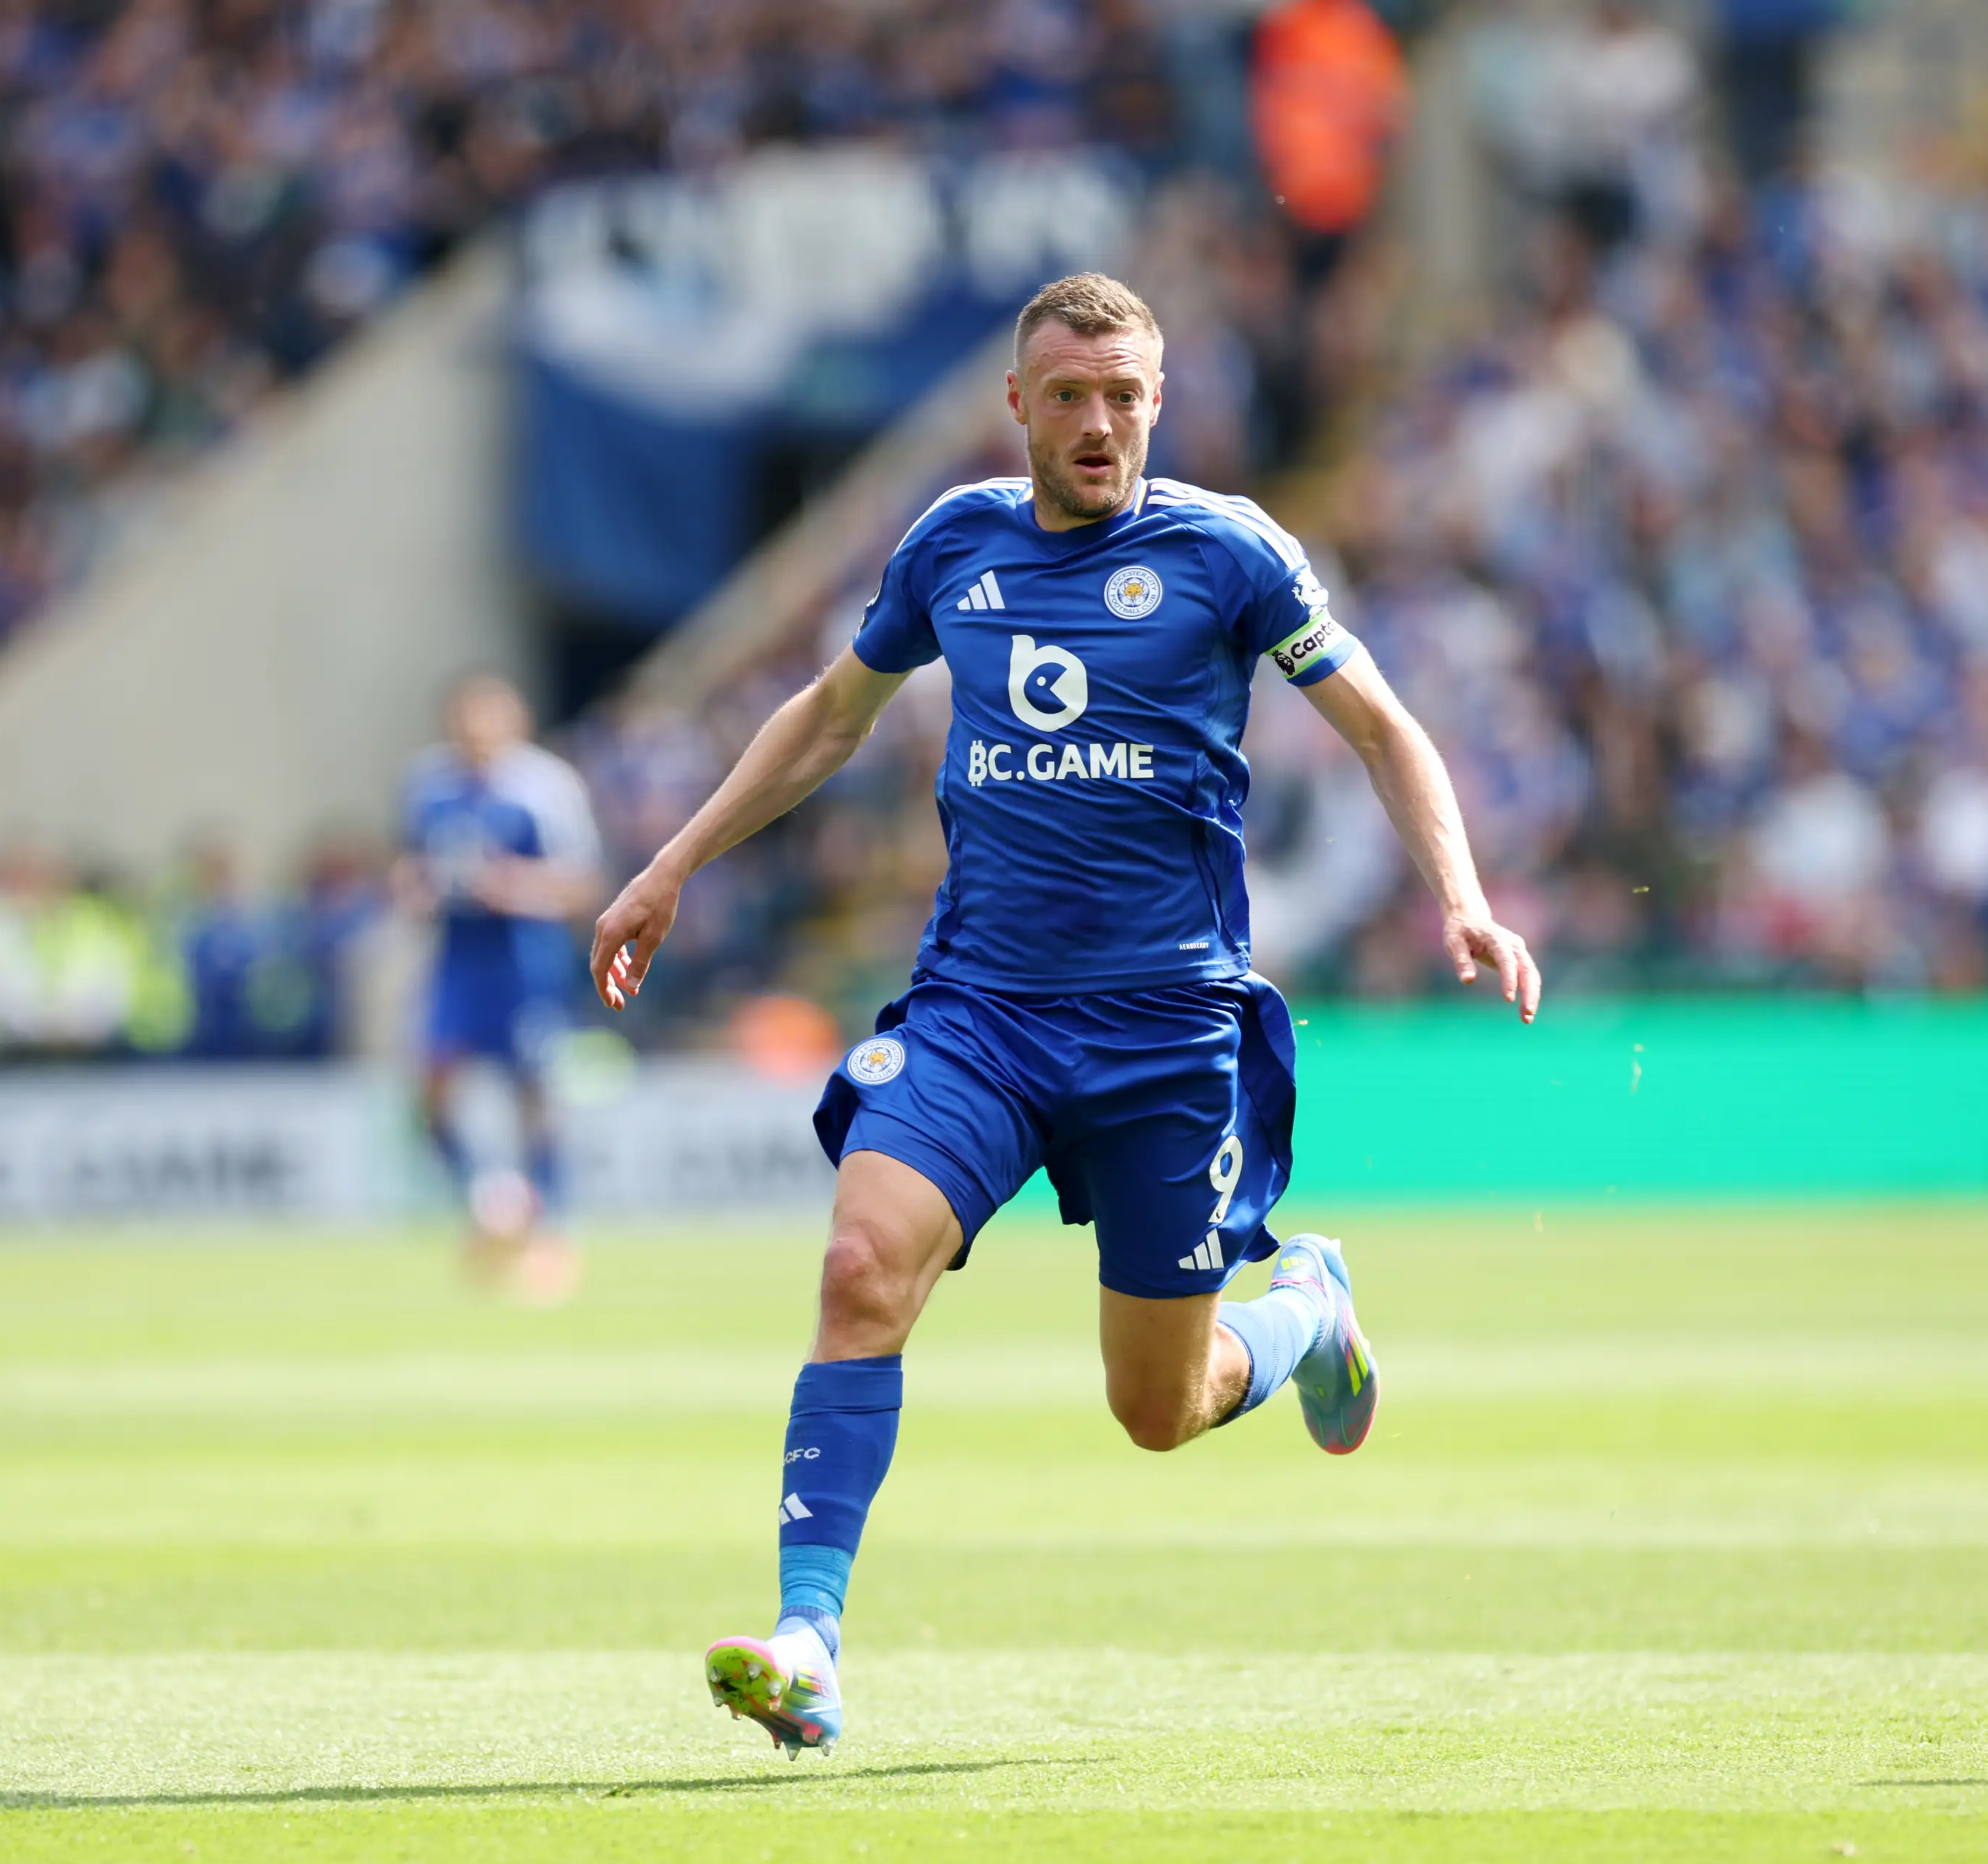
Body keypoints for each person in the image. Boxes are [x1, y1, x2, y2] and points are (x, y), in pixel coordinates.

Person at [589, 273, 1542, 1757]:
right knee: (860, 1262)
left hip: (1167, 1031)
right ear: (1019, 406)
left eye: (1126, 396)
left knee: (1156, 1408)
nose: (1100, 422)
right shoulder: (950, 545)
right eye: (1071, 395)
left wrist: (1464, 893)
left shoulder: (1231, 555)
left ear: (1157, 403)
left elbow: (1382, 726)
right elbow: (832, 716)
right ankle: (808, 1637)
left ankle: (1304, 1309)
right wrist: (670, 864)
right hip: (981, 1011)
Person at [395, 673, 604, 1301]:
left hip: (524, 964)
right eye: (467, 718)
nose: (477, 730)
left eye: (491, 717)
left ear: (516, 721)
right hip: (457, 964)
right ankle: (492, 1204)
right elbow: (410, 866)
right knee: (429, 1090)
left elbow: (582, 883)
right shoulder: (428, 787)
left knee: (535, 1100)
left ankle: (552, 1235)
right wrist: (416, 889)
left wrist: (507, 887)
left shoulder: (544, 788)